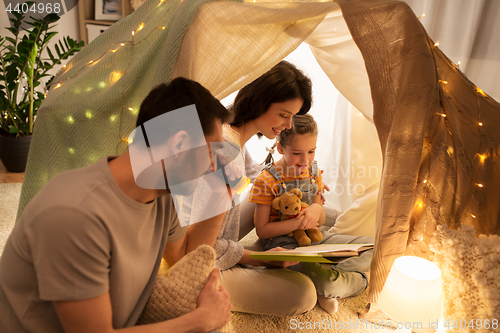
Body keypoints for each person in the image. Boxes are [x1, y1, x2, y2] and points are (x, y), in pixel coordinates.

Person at [0, 78, 233, 332]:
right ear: (178, 144)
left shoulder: (162, 196)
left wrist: (220, 198)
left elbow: (185, 260)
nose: (213, 167)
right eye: (211, 154)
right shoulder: (74, 215)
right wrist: (201, 319)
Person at [182, 60, 320, 316]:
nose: (288, 126)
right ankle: (250, 259)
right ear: (260, 100)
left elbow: (258, 176)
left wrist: (302, 187)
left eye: (292, 117)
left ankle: (251, 255)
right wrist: (259, 258)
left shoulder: (228, 131)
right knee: (304, 293)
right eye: (283, 115)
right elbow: (197, 248)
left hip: (212, 237)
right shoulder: (227, 153)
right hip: (192, 265)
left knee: (266, 199)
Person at [249, 114, 374, 314]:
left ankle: (326, 279)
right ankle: (362, 279)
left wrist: (316, 208)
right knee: (329, 283)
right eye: (297, 153)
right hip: (286, 248)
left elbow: (321, 221)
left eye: (311, 151)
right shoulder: (266, 180)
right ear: (281, 148)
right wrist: (298, 224)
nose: (305, 160)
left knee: (375, 248)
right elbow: (262, 231)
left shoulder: (313, 171)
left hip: (317, 238)